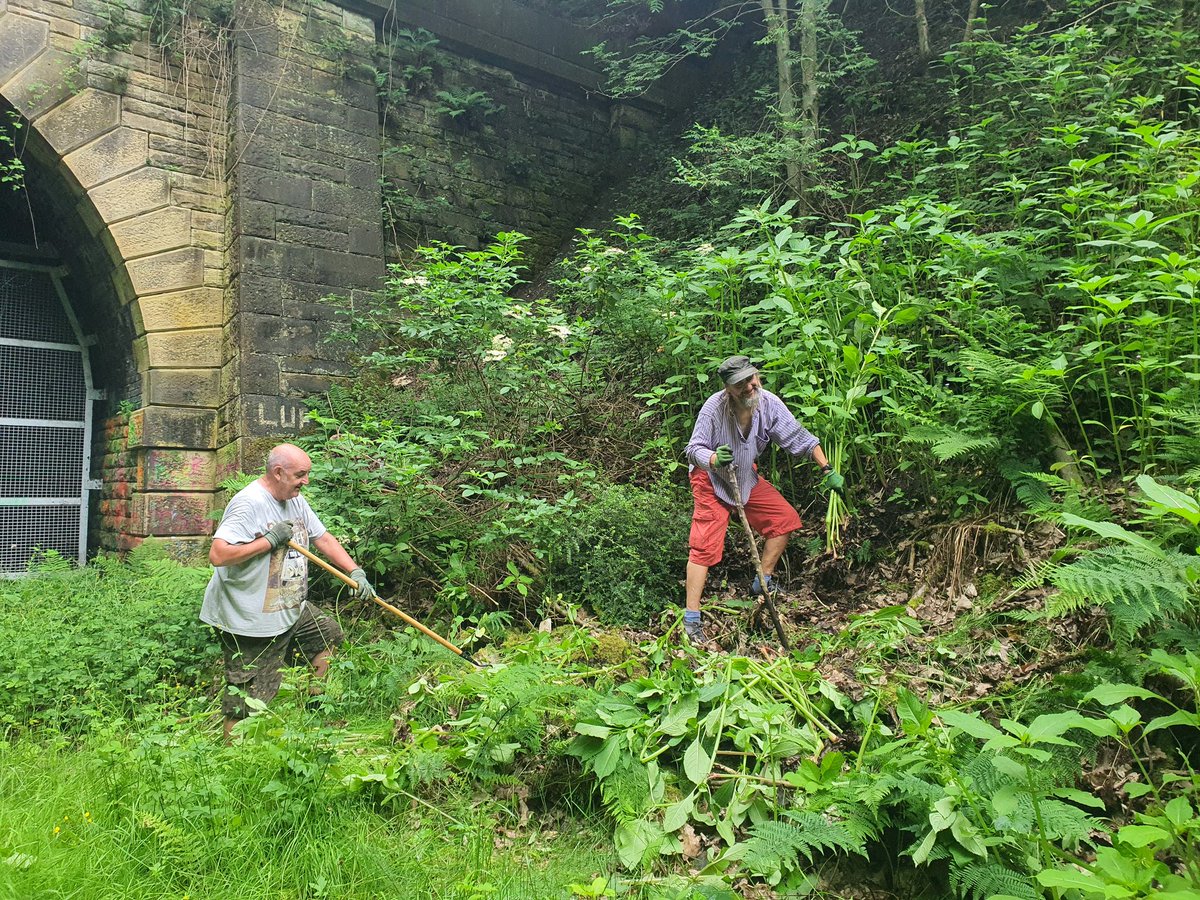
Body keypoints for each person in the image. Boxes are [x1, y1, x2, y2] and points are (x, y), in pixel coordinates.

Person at [201, 443, 375, 739]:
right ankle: (233, 762)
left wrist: (353, 570)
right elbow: (218, 555)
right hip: (251, 618)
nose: (306, 481)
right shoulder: (250, 503)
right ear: (278, 473)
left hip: (289, 607)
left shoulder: (295, 500)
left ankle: (314, 713)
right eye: (301, 474)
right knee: (246, 698)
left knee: (328, 635)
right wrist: (268, 541)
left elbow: (323, 538)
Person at [682, 355, 845, 643]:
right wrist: (713, 458)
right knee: (705, 545)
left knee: (784, 520)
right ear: (728, 388)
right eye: (740, 383)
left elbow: (800, 438)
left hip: (745, 475)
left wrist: (827, 468)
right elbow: (693, 449)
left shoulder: (767, 402)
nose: (749, 386)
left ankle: (762, 581)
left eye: (751, 378)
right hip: (710, 479)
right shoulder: (714, 409)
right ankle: (692, 618)